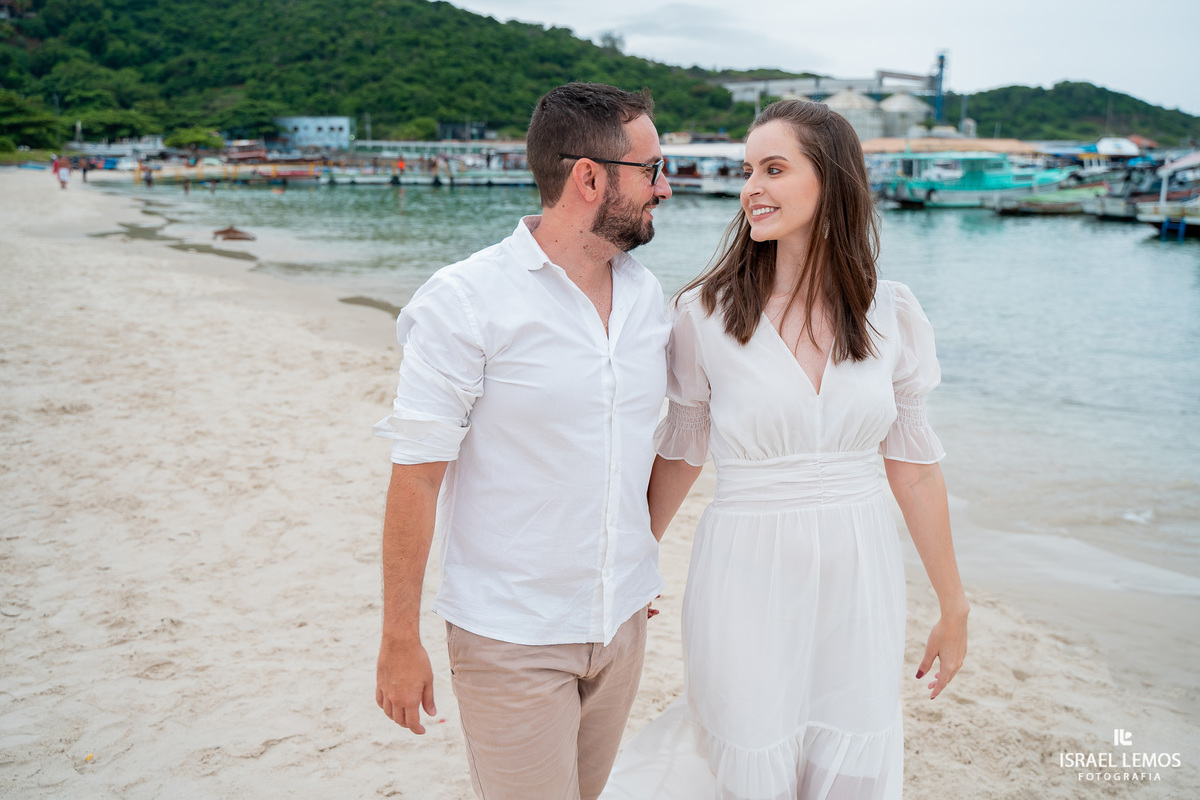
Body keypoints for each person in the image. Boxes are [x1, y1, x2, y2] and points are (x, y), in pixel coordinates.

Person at [602, 99, 969, 800]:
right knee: (746, 751)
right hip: (744, 570)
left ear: (831, 180)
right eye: (747, 171)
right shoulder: (703, 313)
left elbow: (915, 470)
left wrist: (954, 606)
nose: (751, 189)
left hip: (861, 570)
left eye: (774, 168)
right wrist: (635, 555)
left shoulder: (891, 313)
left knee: (850, 752)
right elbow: (682, 450)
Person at [372, 82, 674, 800]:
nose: (667, 188)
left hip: (623, 620)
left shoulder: (646, 297)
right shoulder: (465, 301)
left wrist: (631, 557)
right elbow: (416, 474)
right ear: (590, 177)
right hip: (512, 635)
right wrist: (398, 637)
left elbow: (630, 450)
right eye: (654, 169)